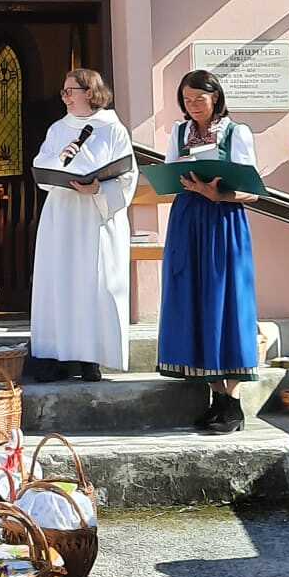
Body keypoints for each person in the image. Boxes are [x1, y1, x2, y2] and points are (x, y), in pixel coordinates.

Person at [155, 69, 260, 435]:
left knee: (224, 299)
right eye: (187, 100)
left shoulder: (237, 133)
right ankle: (215, 397)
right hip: (188, 219)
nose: (193, 106)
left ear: (216, 97)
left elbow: (254, 190)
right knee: (194, 298)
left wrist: (221, 195)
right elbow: (170, 177)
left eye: (200, 99)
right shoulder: (179, 132)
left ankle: (233, 402)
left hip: (223, 219)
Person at [28, 68, 135, 383]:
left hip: (94, 217)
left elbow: (127, 176)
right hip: (62, 215)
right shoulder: (58, 129)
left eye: (69, 91)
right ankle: (57, 357)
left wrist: (98, 189)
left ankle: (91, 359)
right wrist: (56, 161)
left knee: (93, 284)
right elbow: (41, 165)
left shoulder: (113, 129)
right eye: (63, 92)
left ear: (89, 92)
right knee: (60, 284)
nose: (65, 97)